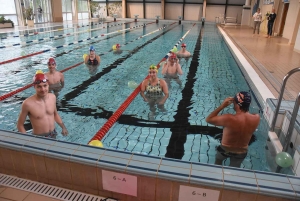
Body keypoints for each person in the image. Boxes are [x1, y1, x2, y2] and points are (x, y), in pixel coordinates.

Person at [206, 92, 260, 167]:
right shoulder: (256, 118)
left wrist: (222, 106)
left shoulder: (228, 118)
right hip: (241, 152)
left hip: (224, 150)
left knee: (217, 166)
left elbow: (209, 119)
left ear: (236, 103)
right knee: (234, 171)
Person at [17, 70, 68, 138]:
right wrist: (27, 140)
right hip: (39, 137)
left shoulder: (52, 97)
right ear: (34, 87)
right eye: (39, 87)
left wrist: (63, 127)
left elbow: (55, 114)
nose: (43, 89)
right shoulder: (27, 104)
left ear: (48, 85)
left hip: (53, 133)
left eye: (45, 86)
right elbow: (20, 125)